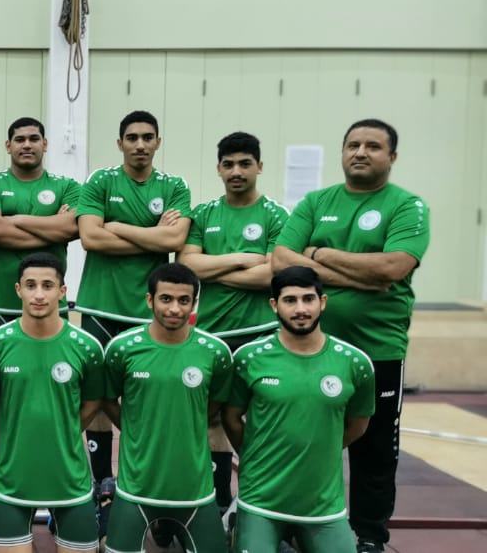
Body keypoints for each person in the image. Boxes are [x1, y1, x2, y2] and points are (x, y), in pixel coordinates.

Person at [271, 119, 429, 553]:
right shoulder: (315, 201)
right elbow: (281, 262)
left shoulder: (407, 206)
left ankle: (369, 536)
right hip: (309, 350)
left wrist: (317, 254)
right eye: (353, 144)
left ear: (392, 157)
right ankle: (292, 525)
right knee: (300, 439)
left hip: (378, 350)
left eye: (373, 146)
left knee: (374, 450)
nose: (360, 152)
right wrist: (363, 275)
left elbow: (393, 267)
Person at [0, 117, 82, 505]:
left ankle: (43, 465)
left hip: (46, 308)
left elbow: (72, 228)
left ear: (46, 144)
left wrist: (13, 219)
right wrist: (48, 225)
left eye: (34, 138)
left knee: (49, 387)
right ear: (8, 145)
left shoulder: (67, 186)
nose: (27, 144)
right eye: (19, 139)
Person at [74, 110, 191, 487]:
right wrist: (151, 236)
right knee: (98, 394)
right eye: (132, 137)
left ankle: (143, 472)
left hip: (149, 310)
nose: (140, 144)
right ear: (120, 143)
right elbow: (90, 238)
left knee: (145, 391)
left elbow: (174, 240)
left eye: (147, 137)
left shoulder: (174, 186)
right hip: (99, 305)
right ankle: (101, 481)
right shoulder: (101, 181)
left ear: (158, 142)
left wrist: (117, 226)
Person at [222, 266, 375, 552]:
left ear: (323, 302)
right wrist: (254, 455)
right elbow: (230, 417)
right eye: (290, 300)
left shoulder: (355, 363)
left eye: (308, 299)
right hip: (260, 500)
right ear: (274, 305)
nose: (301, 309)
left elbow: (358, 424)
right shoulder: (248, 358)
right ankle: (243, 530)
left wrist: (318, 450)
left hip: (323, 505)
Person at [176, 131, 288, 511]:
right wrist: (242, 259)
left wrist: (213, 270)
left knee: (260, 419)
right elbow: (187, 265)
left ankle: (260, 503)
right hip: (213, 335)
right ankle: (220, 502)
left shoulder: (276, 215)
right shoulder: (204, 214)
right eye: (229, 164)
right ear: (219, 169)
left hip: (261, 334)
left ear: (260, 166)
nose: (236, 171)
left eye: (244, 164)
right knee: (212, 419)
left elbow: (274, 274)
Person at [0, 253, 103, 553]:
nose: (38, 294)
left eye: (48, 286)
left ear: (62, 291)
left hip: (71, 482)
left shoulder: (87, 347)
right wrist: (14, 426)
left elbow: (93, 401)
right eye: (31, 285)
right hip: (13, 483)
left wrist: (66, 428)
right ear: (18, 289)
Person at [101, 263, 229, 553]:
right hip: (135, 488)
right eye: (166, 299)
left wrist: (190, 421)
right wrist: (133, 427)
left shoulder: (215, 352)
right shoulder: (122, 348)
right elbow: (107, 400)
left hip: (196, 491)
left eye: (184, 300)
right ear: (150, 300)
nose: (174, 308)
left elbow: (216, 404)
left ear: (194, 303)